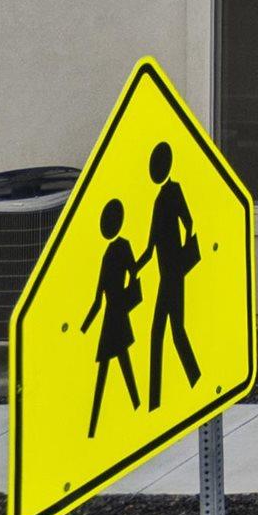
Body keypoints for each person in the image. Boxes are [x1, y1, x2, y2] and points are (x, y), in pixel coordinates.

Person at [142, 140, 202, 407]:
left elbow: (189, 222)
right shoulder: (156, 199)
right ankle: (192, 379)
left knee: (164, 331)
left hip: (173, 273)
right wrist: (135, 267)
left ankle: (159, 396)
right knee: (172, 330)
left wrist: (182, 257)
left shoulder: (174, 191)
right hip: (165, 272)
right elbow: (151, 245)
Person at [81, 197, 142, 437]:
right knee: (117, 365)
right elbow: (98, 299)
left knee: (114, 367)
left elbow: (134, 272)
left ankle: (97, 423)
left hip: (117, 313)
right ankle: (133, 406)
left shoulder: (122, 246)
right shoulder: (106, 255)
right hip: (110, 316)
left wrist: (130, 294)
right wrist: (83, 328)